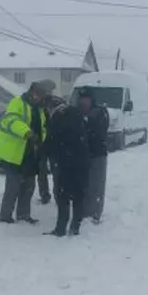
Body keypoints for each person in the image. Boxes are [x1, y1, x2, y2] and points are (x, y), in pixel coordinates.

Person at [0, 81, 51, 224]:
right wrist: (27, 132)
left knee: (29, 186)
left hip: (31, 153)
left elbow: (42, 128)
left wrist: (44, 142)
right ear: (31, 92)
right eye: (37, 94)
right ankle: (5, 217)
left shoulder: (40, 109)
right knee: (13, 187)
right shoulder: (18, 102)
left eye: (41, 95)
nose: (38, 97)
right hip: (15, 153)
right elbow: (10, 120)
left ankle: (23, 215)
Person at [43, 96, 90, 236]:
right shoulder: (76, 113)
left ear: (51, 107)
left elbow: (51, 140)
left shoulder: (56, 117)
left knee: (62, 195)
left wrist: (42, 152)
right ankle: (76, 226)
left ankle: (61, 228)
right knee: (78, 195)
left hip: (64, 162)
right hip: (81, 161)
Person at [78, 87, 109, 223]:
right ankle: (84, 211)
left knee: (96, 186)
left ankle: (95, 213)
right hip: (82, 155)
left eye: (86, 99)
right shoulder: (78, 113)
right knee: (84, 185)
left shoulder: (100, 112)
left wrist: (86, 122)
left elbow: (98, 132)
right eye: (81, 99)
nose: (83, 102)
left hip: (97, 154)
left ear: (92, 100)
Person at [36, 81, 57, 205]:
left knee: (46, 172)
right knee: (44, 171)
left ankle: (49, 194)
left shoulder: (51, 105)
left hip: (49, 143)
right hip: (45, 144)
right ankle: (46, 194)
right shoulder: (40, 107)